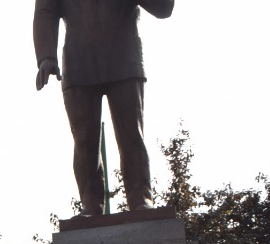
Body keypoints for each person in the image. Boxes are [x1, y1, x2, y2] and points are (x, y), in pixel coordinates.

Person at [33, 0, 174, 215]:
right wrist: (46, 57)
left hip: (124, 57)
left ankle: (140, 198)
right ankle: (90, 204)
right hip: (78, 60)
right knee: (84, 141)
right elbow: (45, 12)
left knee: (131, 135)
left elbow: (163, 8)